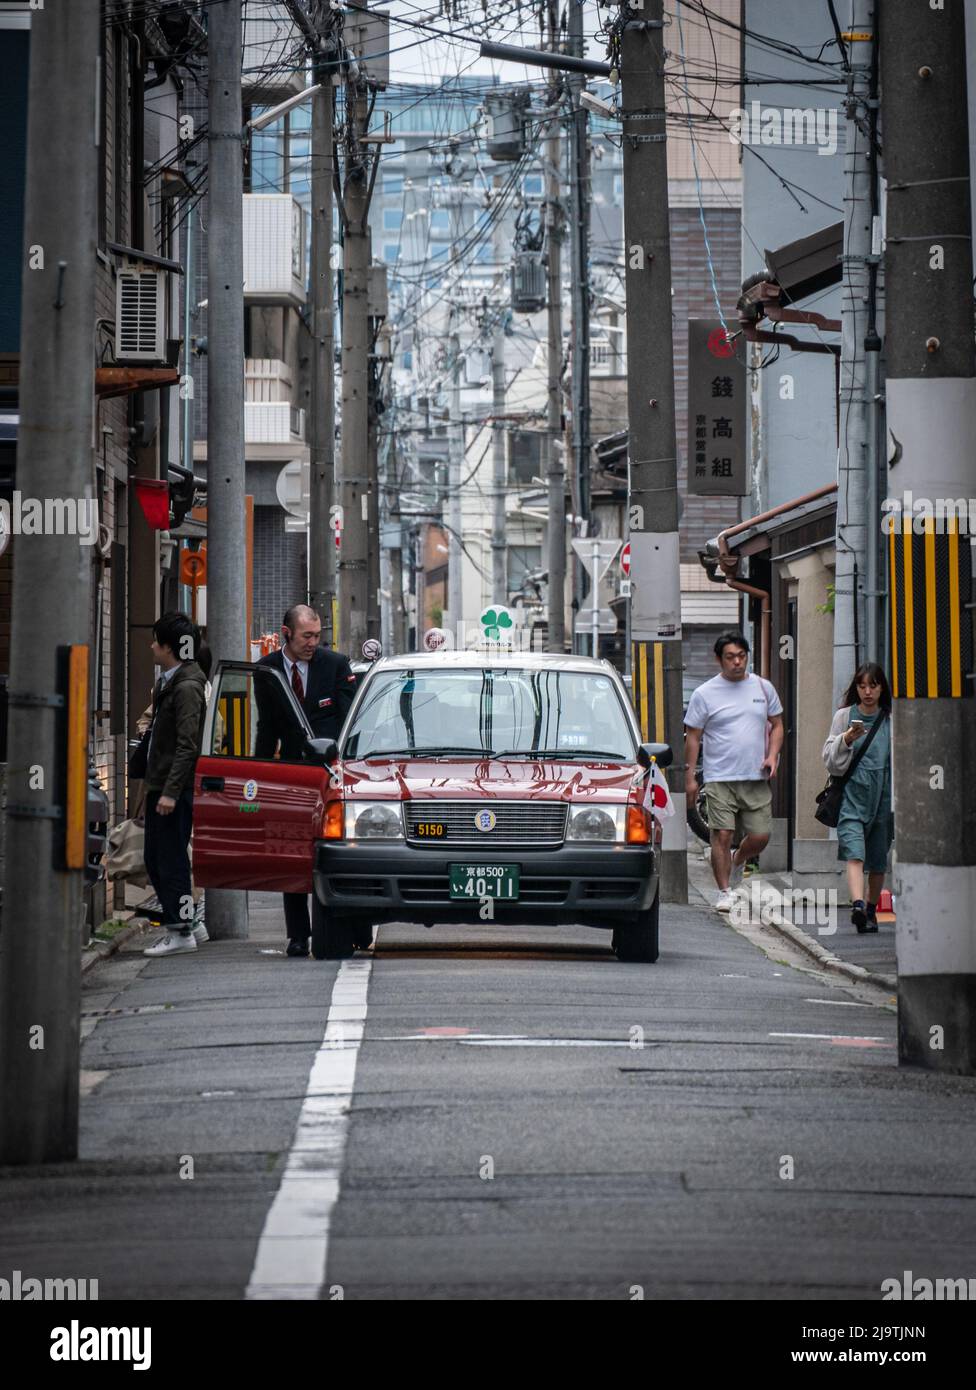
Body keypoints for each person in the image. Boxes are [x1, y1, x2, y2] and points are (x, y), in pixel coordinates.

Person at [255, 604, 359, 957]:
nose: (314, 642)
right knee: (293, 851)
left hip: (330, 774)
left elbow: (349, 723)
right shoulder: (266, 671)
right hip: (290, 774)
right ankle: (298, 934)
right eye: (307, 636)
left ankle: (354, 926)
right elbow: (266, 726)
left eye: (317, 636)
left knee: (342, 850)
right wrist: (259, 770)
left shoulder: (335, 665)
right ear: (287, 634)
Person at [684, 631, 785, 912]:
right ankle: (724, 891)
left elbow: (777, 724)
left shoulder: (763, 688)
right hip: (719, 777)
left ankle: (738, 859)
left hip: (756, 777)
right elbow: (693, 736)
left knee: (760, 836)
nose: (737, 662)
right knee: (723, 834)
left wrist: (772, 756)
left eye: (742, 656)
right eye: (730, 657)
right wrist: (690, 777)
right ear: (719, 659)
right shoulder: (704, 694)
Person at [135, 642, 212, 943]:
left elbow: (186, 747)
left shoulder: (189, 689)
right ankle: (189, 923)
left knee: (172, 860)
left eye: (157, 640)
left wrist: (170, 792)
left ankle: (181, 929)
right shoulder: (169, 684)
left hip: (176, 788)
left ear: (171, 647)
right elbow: (155, 737)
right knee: (161, 858)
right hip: (163, 785)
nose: (151, 645)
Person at [822, 663, 893, 933]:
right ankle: (858, 906)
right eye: (862, 686)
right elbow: (829, 758)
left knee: (877, 860)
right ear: (856, 688)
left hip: (881, 799)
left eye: (873, 686)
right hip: (851, 795)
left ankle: (872, 911)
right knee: (855, 854)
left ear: (881, 688)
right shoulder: (844, 717)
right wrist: (847, 739)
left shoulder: (889, 720)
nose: (867, 692)